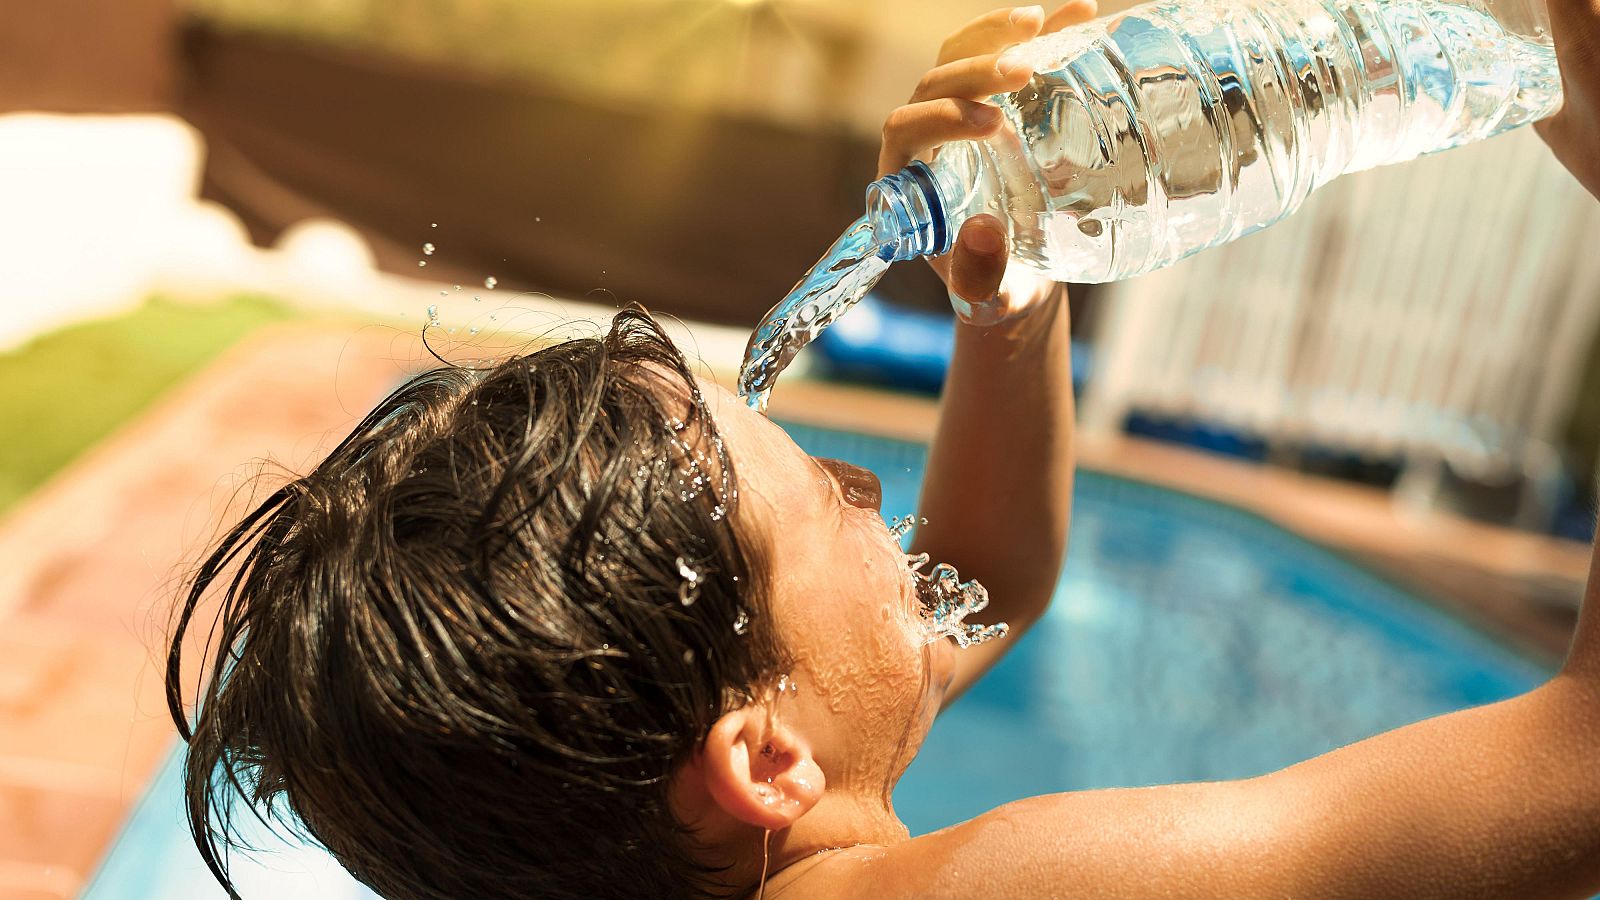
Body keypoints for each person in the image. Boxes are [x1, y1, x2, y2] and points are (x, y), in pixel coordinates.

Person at [167, 4, 1600, 899]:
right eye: (834, 502)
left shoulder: (740, 834)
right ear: (768, 756)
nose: (873, 492)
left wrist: (1011, 304)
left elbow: (980, 572)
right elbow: (1575, 782)